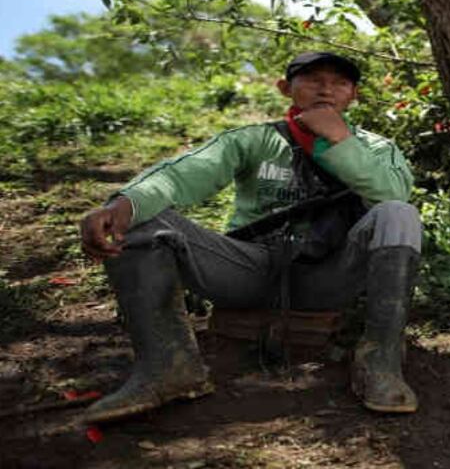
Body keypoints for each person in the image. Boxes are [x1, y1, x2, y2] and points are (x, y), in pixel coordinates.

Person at [78, 51, 422, 422]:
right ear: (285, 88)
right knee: (140, 217)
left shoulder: (378, 148)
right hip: (248, 270)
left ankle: (380, 362)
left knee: (398, 213)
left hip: (330, 276)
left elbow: (391, 193)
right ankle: (168, 367)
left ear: (354, 95)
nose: (326, 90)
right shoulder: (254, 139)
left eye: (339, 83)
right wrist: (123, 204)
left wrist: (339, 139)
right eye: (313, 80)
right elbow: (182, 174)